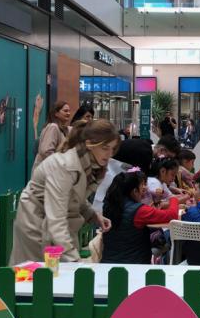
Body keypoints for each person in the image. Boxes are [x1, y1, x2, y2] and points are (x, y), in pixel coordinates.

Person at [11, 120, 118, 264]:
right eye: (105, 147)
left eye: (112, 148)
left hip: (56, 226)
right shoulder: (64, 166)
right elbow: (56, 217)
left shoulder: (91, 167)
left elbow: (74, 198)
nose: (109, 154)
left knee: (55, 277)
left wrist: (93, 215)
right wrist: (74, 261)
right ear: (89, 144)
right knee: (36, 279)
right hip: (37, 224)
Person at [101, 170, 180, 264]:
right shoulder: (139, 210)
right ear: (134, 191)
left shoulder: (108, 206)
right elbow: (172, 215)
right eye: (142, 186)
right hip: (134, 265)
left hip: (108, 263)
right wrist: (173, 198)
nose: (145, 189)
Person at [33, 101, 71, 171]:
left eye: (69, 111)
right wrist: (62, 164)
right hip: (46, 173)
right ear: (56, 113)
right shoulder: (53, 127)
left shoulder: (64, 129)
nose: (68, 113)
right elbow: (46, 151)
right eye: (65, 111)